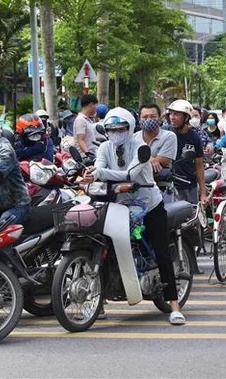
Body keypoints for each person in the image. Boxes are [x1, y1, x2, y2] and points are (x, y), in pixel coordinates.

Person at [83, 107, 185, 325]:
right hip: (118, 204)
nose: (116, 133)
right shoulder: (104, 148)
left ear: (129, 128)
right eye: (111, 129)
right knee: (104, 246)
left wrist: (98, 173)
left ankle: (174, 306)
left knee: (161, 250)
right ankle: (98, 303)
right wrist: (92, 173)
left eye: (121, 128)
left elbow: (129, 174)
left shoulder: (140, 148)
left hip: (148, 204)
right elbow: (98, 167)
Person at [167, 100, 207, 206]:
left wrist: (203, 193)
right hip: (169, 186)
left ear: (186, 117)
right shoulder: (166, 134)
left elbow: (199, 166)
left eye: (176, 114)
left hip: (190, 187)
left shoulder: (195, 138)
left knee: (191, 218)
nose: (172, 117)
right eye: (170, 113)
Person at [135, 103, 177, 174]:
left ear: (160, 118)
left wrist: (137, 158)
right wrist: (151, 159)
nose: (148, 120)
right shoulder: (134, 138)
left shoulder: (169, 136)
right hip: (136, 182)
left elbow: (162, 162)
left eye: (153, 117)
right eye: (145, 117)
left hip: (161, 183)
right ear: (139, 119)